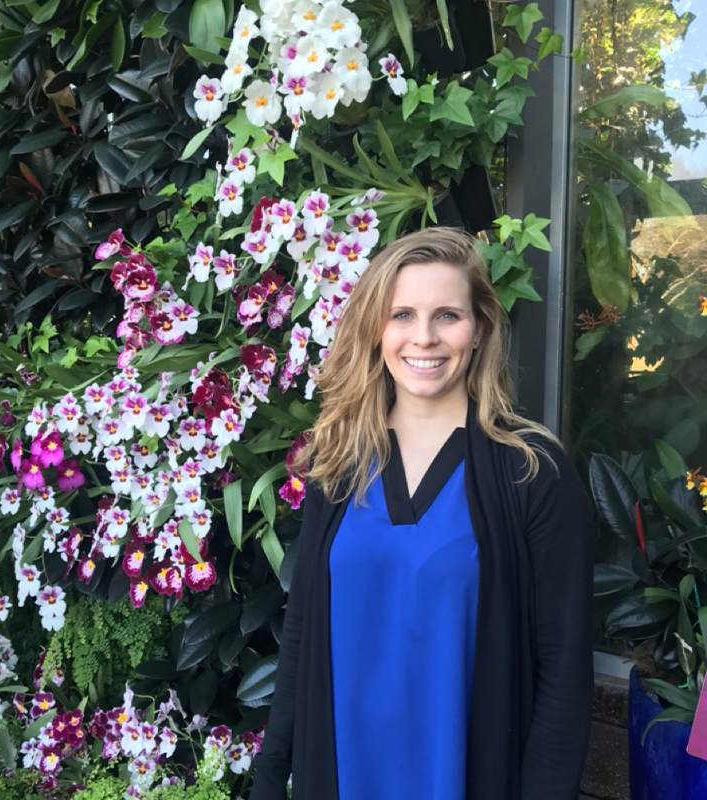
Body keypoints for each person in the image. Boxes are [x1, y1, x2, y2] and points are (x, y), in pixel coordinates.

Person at [248, 227, 594, 800]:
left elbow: (563, 671)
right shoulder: (337, 466)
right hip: (341, 774)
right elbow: (303, 632)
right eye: (402, 314)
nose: (425, 338)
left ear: (479, 328)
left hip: (464, 777)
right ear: (376, 330)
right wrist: (269, 774)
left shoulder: (532, 472)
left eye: (448, 316)